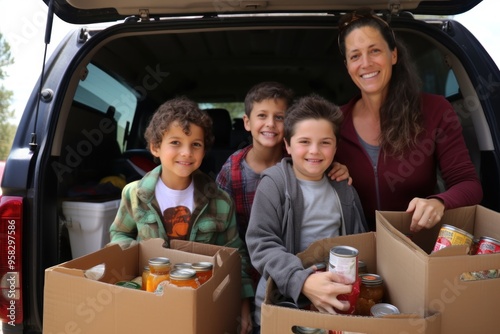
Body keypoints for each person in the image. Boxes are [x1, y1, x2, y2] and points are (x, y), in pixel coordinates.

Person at [108, 97, 254, 334]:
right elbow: (120, 233)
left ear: (204, 150)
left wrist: (243, 303)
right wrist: (131, 259)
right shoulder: (134, 194)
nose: (186, 153)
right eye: (175, 142)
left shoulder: (220, 201)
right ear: (156, 147)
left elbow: (235, 256)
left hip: (200, 299)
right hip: (148, 297)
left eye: (196, 144)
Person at [334, 8, 483, 232]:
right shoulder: (333, 122)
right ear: (347, 66)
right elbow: (293, 170)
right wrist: (322, 172)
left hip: (416, 246)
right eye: (355, 56)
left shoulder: (435, 110)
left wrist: (439, 202)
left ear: (393, 55)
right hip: (354, 250)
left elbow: (469, 184)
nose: (365, 63)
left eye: (374, 51)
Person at [246, 94, 368, 332]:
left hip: (335, 303)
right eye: (304, 142)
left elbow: (360, 241)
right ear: (288, 145)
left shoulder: (345, 190)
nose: (315, 151)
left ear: (335, 147)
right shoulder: (274, 185)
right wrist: (302, 281)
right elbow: (262, 244)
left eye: (325, 142)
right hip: (283, 304)